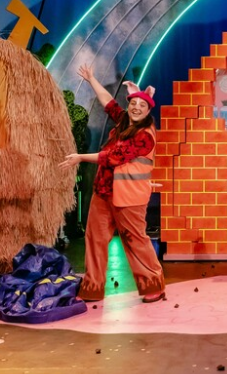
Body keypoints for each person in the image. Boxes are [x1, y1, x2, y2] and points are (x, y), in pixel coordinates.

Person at [59, 64, 166, 303]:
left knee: (134, 241)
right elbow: (108, 102)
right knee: (95, 238)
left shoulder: (144, 136)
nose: (136, 108)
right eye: (133, 104)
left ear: (148, 110)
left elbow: (112, 156)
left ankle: (152, 285)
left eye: (142, 106)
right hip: (103, 192)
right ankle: (93, 287)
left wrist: (80, 157)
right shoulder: (123, 121)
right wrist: (91, 79)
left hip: (129, 198)